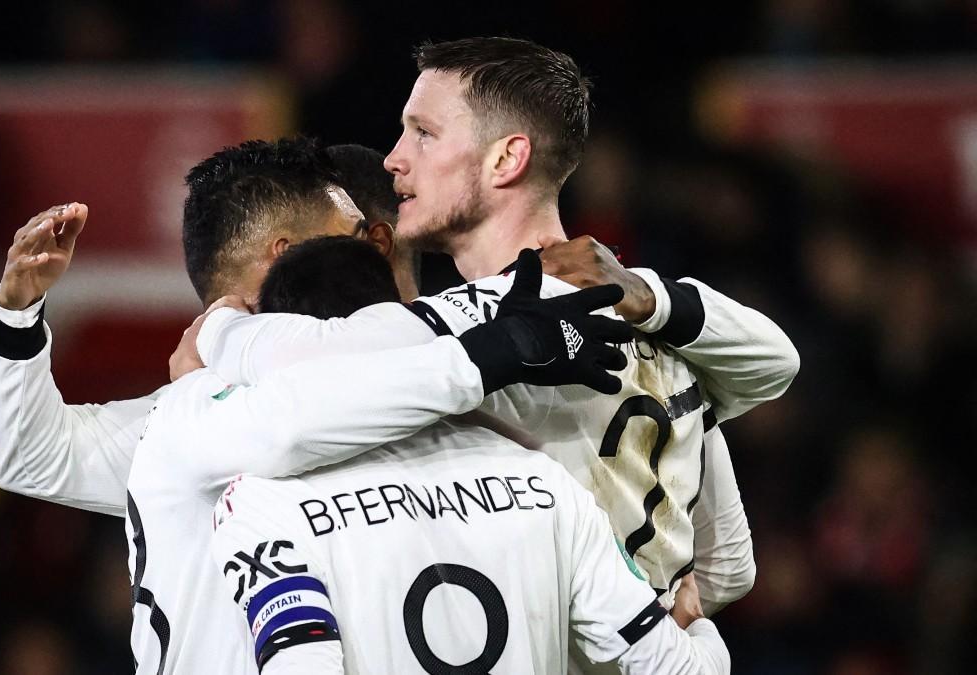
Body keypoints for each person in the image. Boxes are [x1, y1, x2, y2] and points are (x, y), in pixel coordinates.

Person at [187, 38, 798, 618]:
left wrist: (219, 322)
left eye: (423, 134)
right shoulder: (652, 324)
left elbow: (293, 368)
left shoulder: (477, 322)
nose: (395, 158)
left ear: (507, 158)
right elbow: (729, 568)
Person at [210, 236, 730, 673]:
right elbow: (675, 668)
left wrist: (217, 330)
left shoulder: (259, 505)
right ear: (401, 308)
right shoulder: (544, 483)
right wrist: (700, 626)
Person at [123, 243, 633, 673]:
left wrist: (221, 328)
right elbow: (314, 386)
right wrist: (497, 348)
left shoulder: (262, 468)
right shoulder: (198, 416)